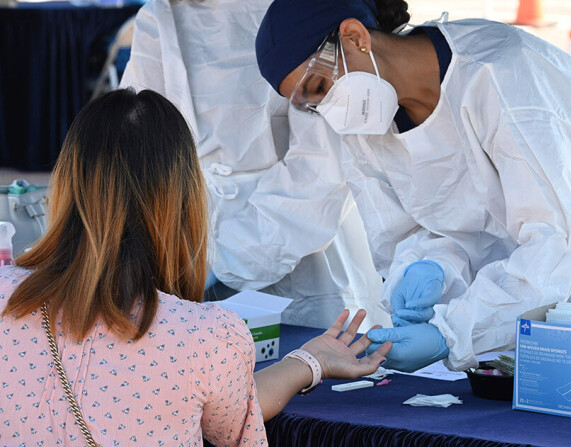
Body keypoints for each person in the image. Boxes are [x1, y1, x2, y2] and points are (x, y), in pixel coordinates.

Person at [254, 0, 571, 401]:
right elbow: (410, 232)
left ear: (355, 36)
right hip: (519, 287)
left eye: (319, 88)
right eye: (309, 105)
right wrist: (426, 268)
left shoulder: (501, 75)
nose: (327, 112)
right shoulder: (364, 118)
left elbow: (554, 239)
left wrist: (451, 333)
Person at [0, 89, 391, 445]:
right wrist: (312, 362)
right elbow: (236, 422)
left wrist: (310, 360)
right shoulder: (206, 337)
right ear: (183, 200)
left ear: (66, 184)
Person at [119, 0, 387, 330]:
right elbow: (140, 139)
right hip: (187, 234)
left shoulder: (309, 2)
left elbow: (322, 166)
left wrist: (229, 257)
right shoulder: (165, 13)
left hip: (301, 235)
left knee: (300, 358)